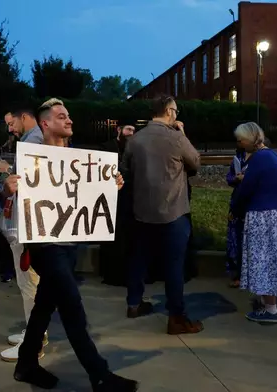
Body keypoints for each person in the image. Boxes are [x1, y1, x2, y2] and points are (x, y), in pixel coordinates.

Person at [4, 98, 137, 391]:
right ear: (45, 124)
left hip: (68, 243)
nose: (69, 120)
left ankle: (26, 364)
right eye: (62, 117)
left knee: (43, 306)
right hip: (43, 246)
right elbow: (15, 193)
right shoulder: (32, 159)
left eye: (69, 116)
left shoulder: (79, 158)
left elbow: (89, 195)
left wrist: (111, 183)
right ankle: (99, 375)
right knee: (72, 308)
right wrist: (8, 187)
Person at [121, 95, 203, 335]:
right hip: (173, 212)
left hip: (142, 212)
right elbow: (195, 162)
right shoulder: (176, 137)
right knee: (174, 266)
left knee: (139, 259)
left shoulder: (135, 140)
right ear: (168, 111)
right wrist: (183, 134)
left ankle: (133, 303)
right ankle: (176, 317)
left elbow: (126, 171)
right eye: (175, 111)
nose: (177, 115)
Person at [0, 108, 47, 362]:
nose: (10, 129)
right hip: (26, 224)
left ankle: (34, 340)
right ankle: (33, 332)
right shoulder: (32, 140)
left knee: (29, 283)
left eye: (11, 123)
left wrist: (7, 172)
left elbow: (31, 182)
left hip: (27, 226)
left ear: (24, 117)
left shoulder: (34, 140)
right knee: (28, 282)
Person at [231, 122, 277, 323]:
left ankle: (270, 309)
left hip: (260, 216)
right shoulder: (273, 156)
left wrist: (235, 209)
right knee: (271, 259)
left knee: (261, 260)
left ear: (250, 138)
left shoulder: (259, 159)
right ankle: (269, 304)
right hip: (274, 214)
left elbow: (246, 189)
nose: (240, 144)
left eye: (241, 140)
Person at [99, 124, 135, 286]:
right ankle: (111, 274)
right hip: (109, 200)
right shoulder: (106, 147)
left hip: (128, 200)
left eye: (134, 131)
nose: (131, 133)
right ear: (119, 130)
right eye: (128, 129)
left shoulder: (133, 148)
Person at [225, 146, 249, 288]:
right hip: (237, 202)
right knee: (236, 238)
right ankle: (238, 273)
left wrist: (246, 178)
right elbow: (229, 177)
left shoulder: (258, 158)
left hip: (251, 202)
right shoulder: (238, 158)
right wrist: (235, 178)